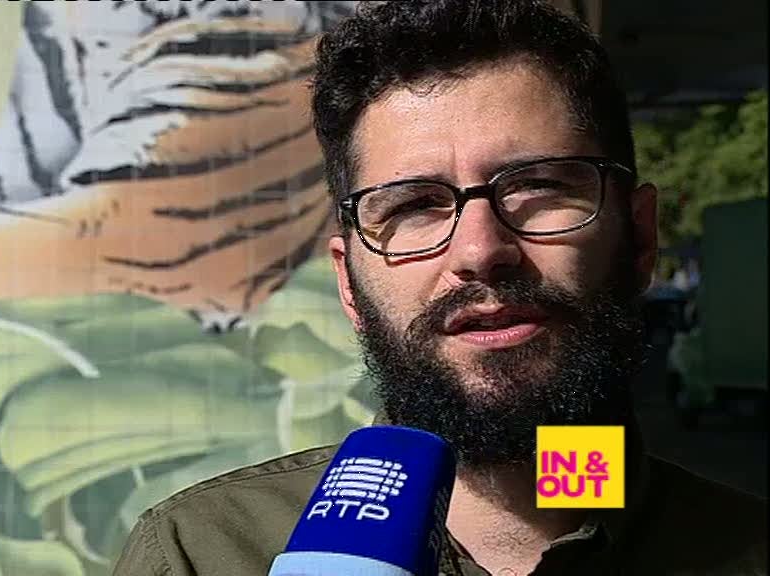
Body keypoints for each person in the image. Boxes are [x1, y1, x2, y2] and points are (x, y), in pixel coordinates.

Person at [113, 1, 768, 574]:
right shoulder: (197, 556)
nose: (480, 251)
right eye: (412, 205)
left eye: (538, 186)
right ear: (348, 282)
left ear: (641, 237)